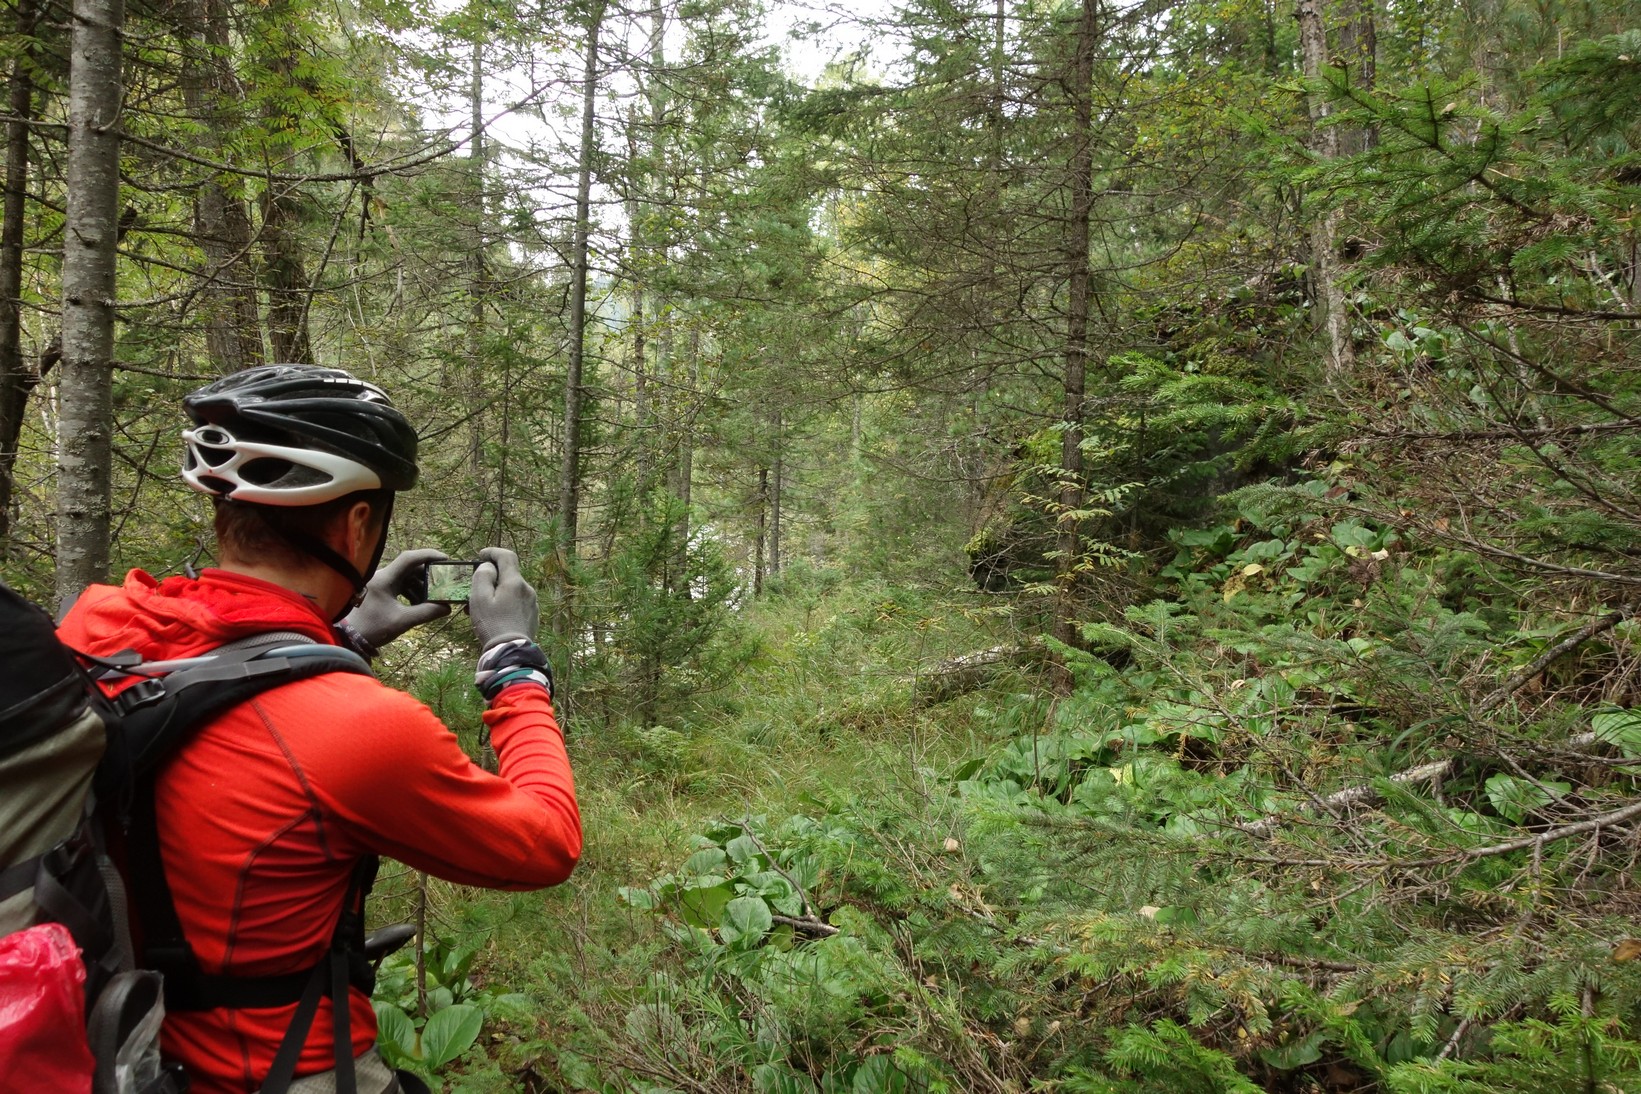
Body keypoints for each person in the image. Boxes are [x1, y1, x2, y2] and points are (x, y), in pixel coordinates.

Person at [56, 364, 581, 1094]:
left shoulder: (97, 629)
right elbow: (545, 845)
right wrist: (512, 664)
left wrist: (342, 636)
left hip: (114, 1047)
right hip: (275, 1072)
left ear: (222, 510)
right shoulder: (359, 728)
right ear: (358, 522)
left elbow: (206, 699)